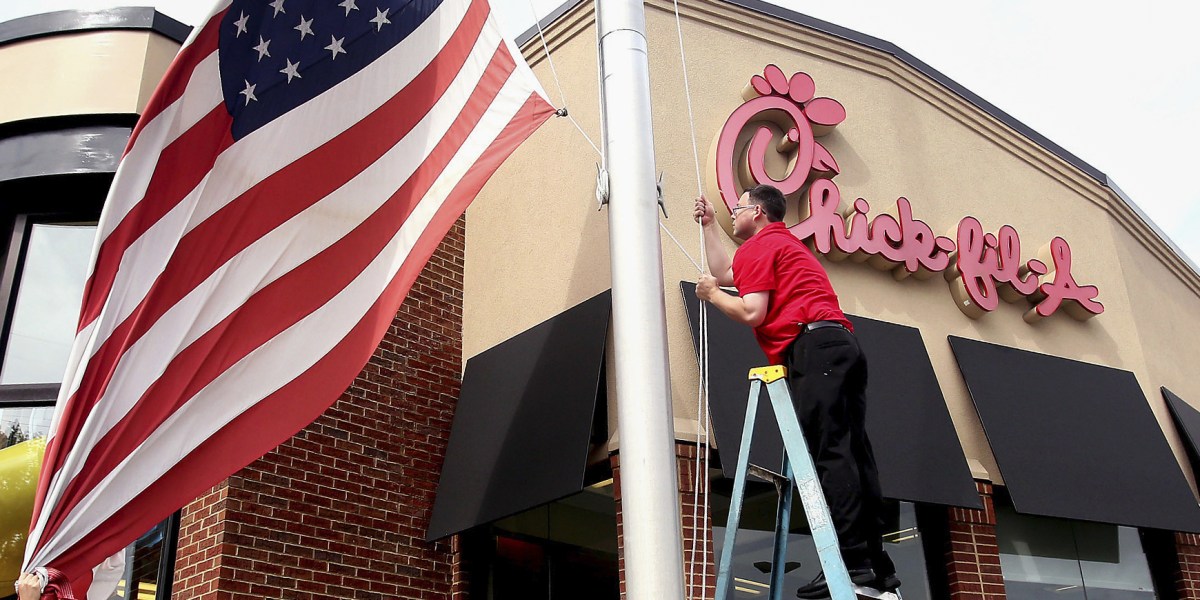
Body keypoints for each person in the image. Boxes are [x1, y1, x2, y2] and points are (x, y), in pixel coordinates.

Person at [693, 184, 899, 598]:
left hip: (812, 350)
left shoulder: (761, 245)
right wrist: (711, 226)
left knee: (832, 456)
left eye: (738, 208)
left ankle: (853, 567)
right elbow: (729, 272)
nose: (734, 212)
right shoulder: (782, 246)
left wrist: (713, 296)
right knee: (855, 454)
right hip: (840, 345)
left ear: (759, 213)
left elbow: (750, 309)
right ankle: (878, 572)